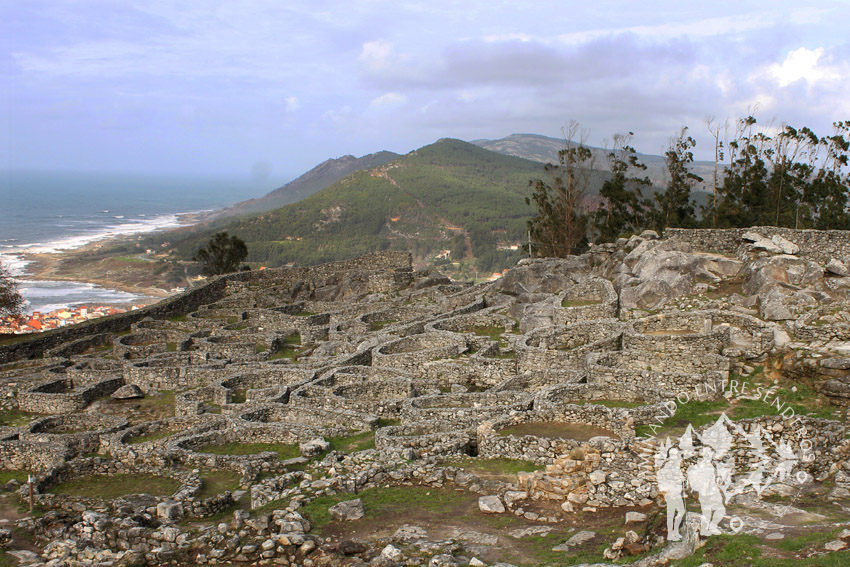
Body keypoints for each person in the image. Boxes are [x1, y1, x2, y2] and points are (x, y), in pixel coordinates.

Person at [657, 446, 686, 541]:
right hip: (671, 494)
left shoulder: (676, 466)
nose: (675, 457)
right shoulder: (667, 467)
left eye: (676, 455)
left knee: (681, 512)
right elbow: (662, 478)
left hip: (677, 493)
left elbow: (679, 477)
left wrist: (681, 479)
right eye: (672, 455)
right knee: (671, 514)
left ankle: (675, 531)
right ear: (669, 456)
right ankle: (670, 534)